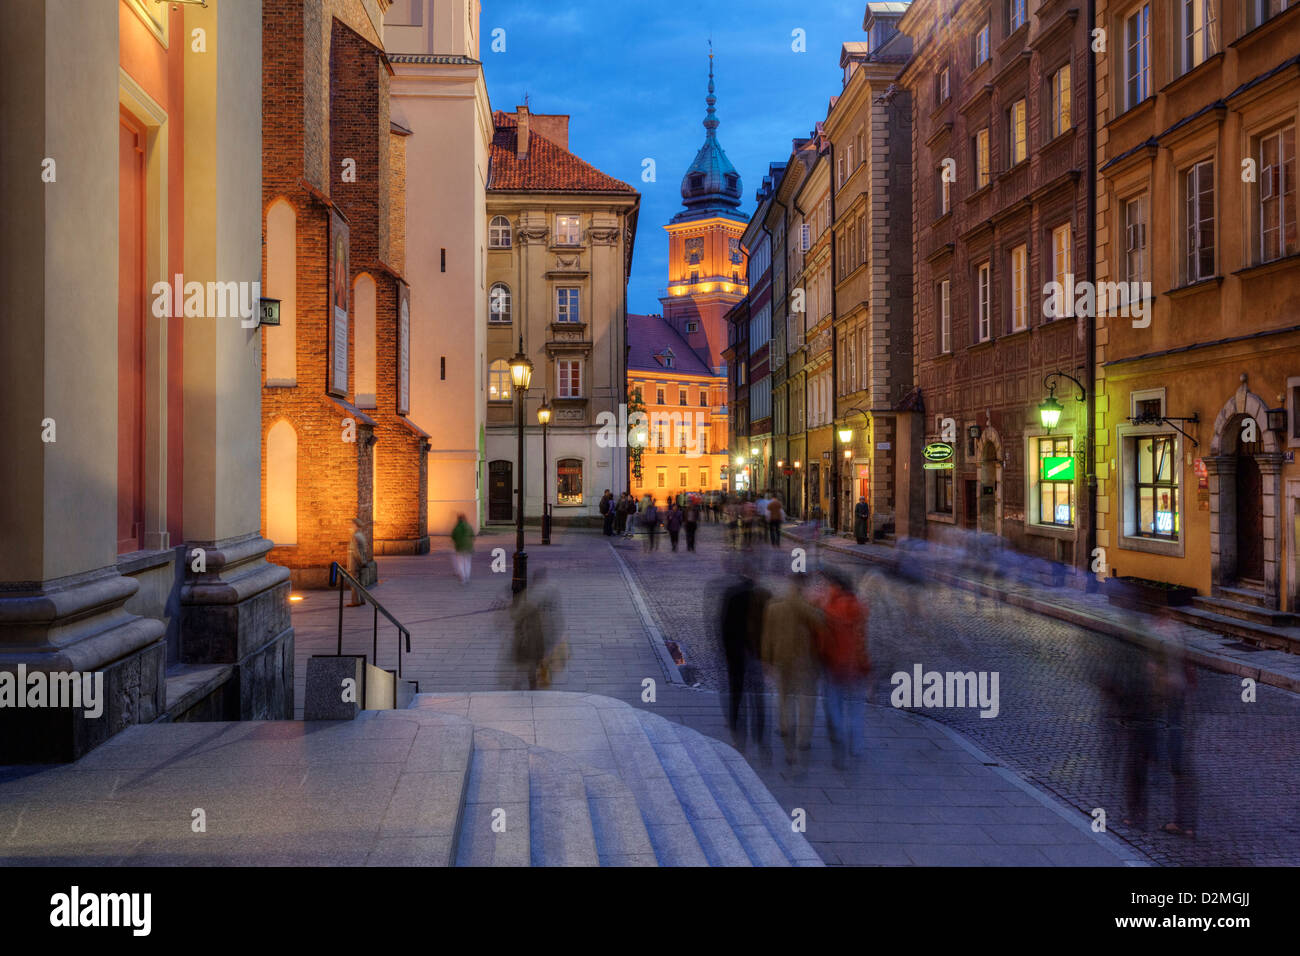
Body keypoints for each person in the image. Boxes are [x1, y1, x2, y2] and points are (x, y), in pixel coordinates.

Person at [762, 574, 823, 767]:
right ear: (803, 586)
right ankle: (803, 739)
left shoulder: (774, 606)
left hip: (781, 658)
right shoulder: (806, 607)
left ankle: (784, 726)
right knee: (805, 700)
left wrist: (767, 660)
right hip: (802, 661)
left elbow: (767, 636)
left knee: (783, 694)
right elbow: (821, 623)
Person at [816, 570, 871, 768]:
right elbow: (862, 638)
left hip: (834, 664)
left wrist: (820, 656)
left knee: (834, 703)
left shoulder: (830, 607)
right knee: (856, 708)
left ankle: (838, 734)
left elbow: (823, 638)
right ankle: (856, 745)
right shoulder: (859, 607)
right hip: (857, 664)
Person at [719, 570, 769, 757]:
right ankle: (760, 736)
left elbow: (724, 625)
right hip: (756, 652)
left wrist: (726, 650)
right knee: (757, 695)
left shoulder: (732, 594)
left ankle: (738, 738)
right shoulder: (763, 596)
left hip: (736, 652)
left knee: (736, 695)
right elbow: (768, 627)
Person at [346, 517, 368, 606]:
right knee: (360, 582)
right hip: (361, 561)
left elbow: (355, 552)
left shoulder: (355, 536)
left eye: (352, 524)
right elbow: (364, 550)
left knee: (354, 582)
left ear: (355, 525)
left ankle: (355, 601)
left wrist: (360, 562)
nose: (350, 526)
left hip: (355, 563)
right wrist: (363, 561)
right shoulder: (361, 536)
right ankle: (362, 600)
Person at [450, 513, 474, 584]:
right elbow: (472, 536)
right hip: (469, 548)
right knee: (467, 563)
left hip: (459, 548)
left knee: (460, 563)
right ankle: (467, 577)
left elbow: (453, 537)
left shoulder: (456, 528)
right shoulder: (468, 526)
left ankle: (463, 578)